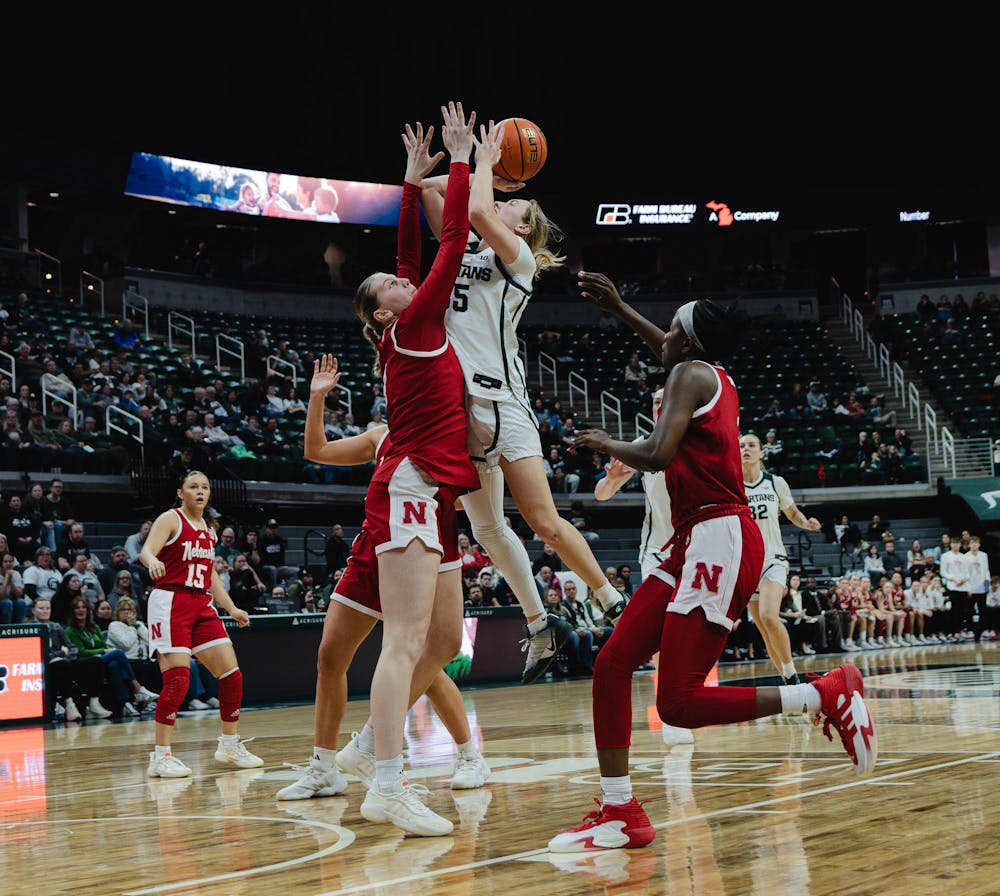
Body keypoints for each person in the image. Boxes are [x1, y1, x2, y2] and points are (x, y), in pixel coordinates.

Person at [548, 272, 877, 853]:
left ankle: (823, 693)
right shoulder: (704, 374)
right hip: (692, 538)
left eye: (673, 327)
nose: (665, 335)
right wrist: (622, 306)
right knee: (613, 663)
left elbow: (655, 453)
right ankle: (620, 809)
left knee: (676, 703)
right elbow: (669, 352)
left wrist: (605, 443)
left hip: (718, 538)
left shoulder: (689, 374)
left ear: (690, 343)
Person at [419, 114, 628, 686]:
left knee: (542, 520)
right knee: (485, 530)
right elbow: (433, 191)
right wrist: (479, 171)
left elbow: (480, 210)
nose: (517, 203)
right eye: (517, 197)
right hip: (458, 411)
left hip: (503, 402)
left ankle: (613, 601)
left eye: (524, 206)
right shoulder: (459, 246)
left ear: (525, 226)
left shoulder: (520, 259)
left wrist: (487, 170)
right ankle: (541, 624)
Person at [349, 104, 485, 836]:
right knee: (402, 640)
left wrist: (409, 184)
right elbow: (454, 240)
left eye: (402, 281)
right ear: (381, 314)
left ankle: (376, 739)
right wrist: (458, 161)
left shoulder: (404, 321)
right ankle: (388, 782)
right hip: (410, 484)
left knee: (440, 643)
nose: (405, 282)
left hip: (437, 492)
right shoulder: (418, 322)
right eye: (390, 286)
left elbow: (409, 256)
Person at [277, 360, 490, 803]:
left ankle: (468, 753)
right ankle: (323, 769)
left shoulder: (450, 430)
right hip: (376, 547)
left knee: (426, 662)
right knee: (330, 655)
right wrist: (317, 396)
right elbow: (316, 450)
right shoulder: (380, 436)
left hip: (431, 545)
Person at [140, 470, 263, 777]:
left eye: (205, 487)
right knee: (178, 680)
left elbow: (209, 576)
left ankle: (229, 744)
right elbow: (146, 550)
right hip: (170, 601)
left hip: (201, 604)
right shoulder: (170, 519)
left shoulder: (209, 528)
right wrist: (152, 560)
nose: (200, 491)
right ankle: (160, 756)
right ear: (181, 492)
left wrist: (231, 608)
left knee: (232, 675)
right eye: (193, 487)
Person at [740, 431, 822, 686]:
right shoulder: (730, 485)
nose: (746, 449)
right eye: (741, 445)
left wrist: (805, 523)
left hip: (773, 558)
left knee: (768, 616)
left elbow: (792, 512)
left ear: (762, 452)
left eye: (752, 445)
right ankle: (788, 681)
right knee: (764, 630)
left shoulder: (775, 482)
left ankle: (794, 677)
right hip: (746, 563)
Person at [64, 593, 159, 718]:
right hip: (84, 663)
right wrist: (100, 652)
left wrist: (136, 625)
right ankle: (137, 689)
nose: (81, 610)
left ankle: (126, 704)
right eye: (77, 607)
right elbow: (80, 651)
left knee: (115, 665)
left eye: (83, 607)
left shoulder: (94, 628)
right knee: (119, 653)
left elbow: (104, 645)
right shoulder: (70, 630)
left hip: (100, 662)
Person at [0, 550, 28, 623]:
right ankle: (7, 630)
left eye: (10, 561)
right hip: (2, 602)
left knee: (21, 602)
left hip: (10, 601)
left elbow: (18, 595)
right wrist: (6, 579)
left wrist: (10, 580)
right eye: (5, 562)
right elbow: (1, 597)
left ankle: (19, 629)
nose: (8, 564)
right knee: (6, 603)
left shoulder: (16, 574)